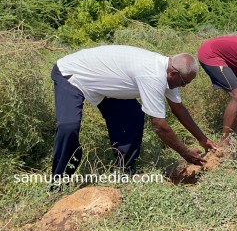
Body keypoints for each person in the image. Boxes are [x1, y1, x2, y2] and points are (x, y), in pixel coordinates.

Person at [51, 45, 218, 179]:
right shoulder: (153, 74)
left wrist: (203, 139)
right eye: (183, 83)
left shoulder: (167, 72)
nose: (184, 87)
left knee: (132, 116)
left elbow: (178, 109)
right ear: (173, 73)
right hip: (72, 74)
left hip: (103, 83)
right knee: (68, 127)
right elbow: (159, 125)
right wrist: (186, 153)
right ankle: (59, 179)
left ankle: (124, 172)